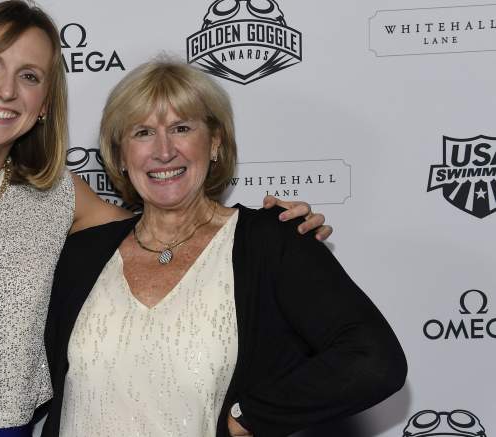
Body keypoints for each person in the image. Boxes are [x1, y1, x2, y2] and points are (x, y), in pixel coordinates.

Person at [0, 2, 331, 436]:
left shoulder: (57, 197)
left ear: (45, 102)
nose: (5, 90)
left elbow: (175, 228)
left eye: (29, 76)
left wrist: (269, 235)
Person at [40, 59, 407, 437]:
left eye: (181, 128)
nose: (164, 151)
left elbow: (374, 361)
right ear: (119, 154)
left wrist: (246, 418)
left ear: (214, 141)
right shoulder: (82, 255)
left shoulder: (270, 241)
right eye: (143, 132)